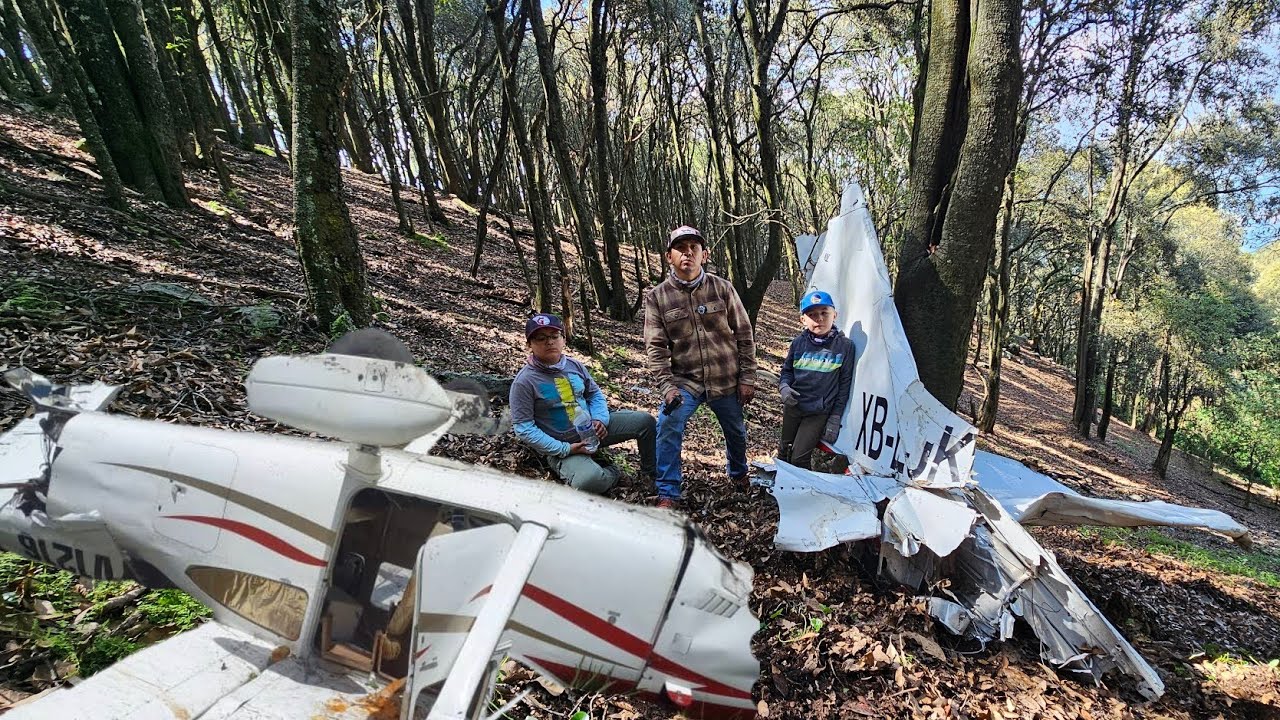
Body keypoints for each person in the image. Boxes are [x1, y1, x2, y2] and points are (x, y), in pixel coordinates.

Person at [644, 225, 757, 508]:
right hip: (686, 381)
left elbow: (744, 333)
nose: (688, 253)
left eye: (693, 248)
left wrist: (747, 377)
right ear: (669, 257)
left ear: (704, 255)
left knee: (736, 431)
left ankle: (739, 475)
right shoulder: (657, 297)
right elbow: (656, 348)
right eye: (680, 248)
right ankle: (668, 492)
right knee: (668, 424)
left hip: (725, 376)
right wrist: (667, 388)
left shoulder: (723, 288)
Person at [509, 313, 656, 494]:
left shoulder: (574, 365)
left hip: (592, 430)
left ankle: (650, 476)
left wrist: (600, 419)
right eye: (541, 338)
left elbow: (594, 394)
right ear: (529, 345)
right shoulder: (524, 382)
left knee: (645, 422)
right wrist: (564, 449)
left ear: (563, 339)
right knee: (589, 481)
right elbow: (524, 427)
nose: (549, 342)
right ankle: (613, 472)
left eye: (555, 336)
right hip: (562, 445)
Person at [778, 290, 855, 469]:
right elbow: (787, 371)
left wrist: (835, 417)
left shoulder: (844, 347)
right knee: (784, 449)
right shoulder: (798, 343)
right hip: (794, 406)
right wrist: (784, 387)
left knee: (799, 457)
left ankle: (802, 485)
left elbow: (845, 384)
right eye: (812, 315)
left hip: (818, 412)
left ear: (834, 315)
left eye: (824, 313)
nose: (819, 318)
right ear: (803, 320)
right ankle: (781, 481)